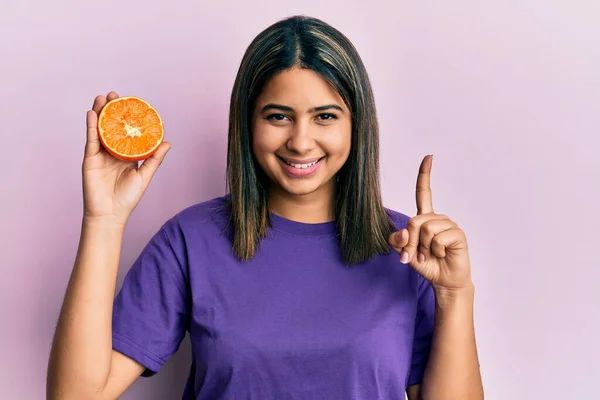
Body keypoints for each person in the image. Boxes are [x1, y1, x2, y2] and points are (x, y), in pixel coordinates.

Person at [47, 15, 483, 400]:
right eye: (278, 116)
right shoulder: (190, 240)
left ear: (358, 125)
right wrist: (103, 220)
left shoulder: (411, 250)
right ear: (247, 122)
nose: (300, 140)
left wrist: (454, 294)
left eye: (325, 116)